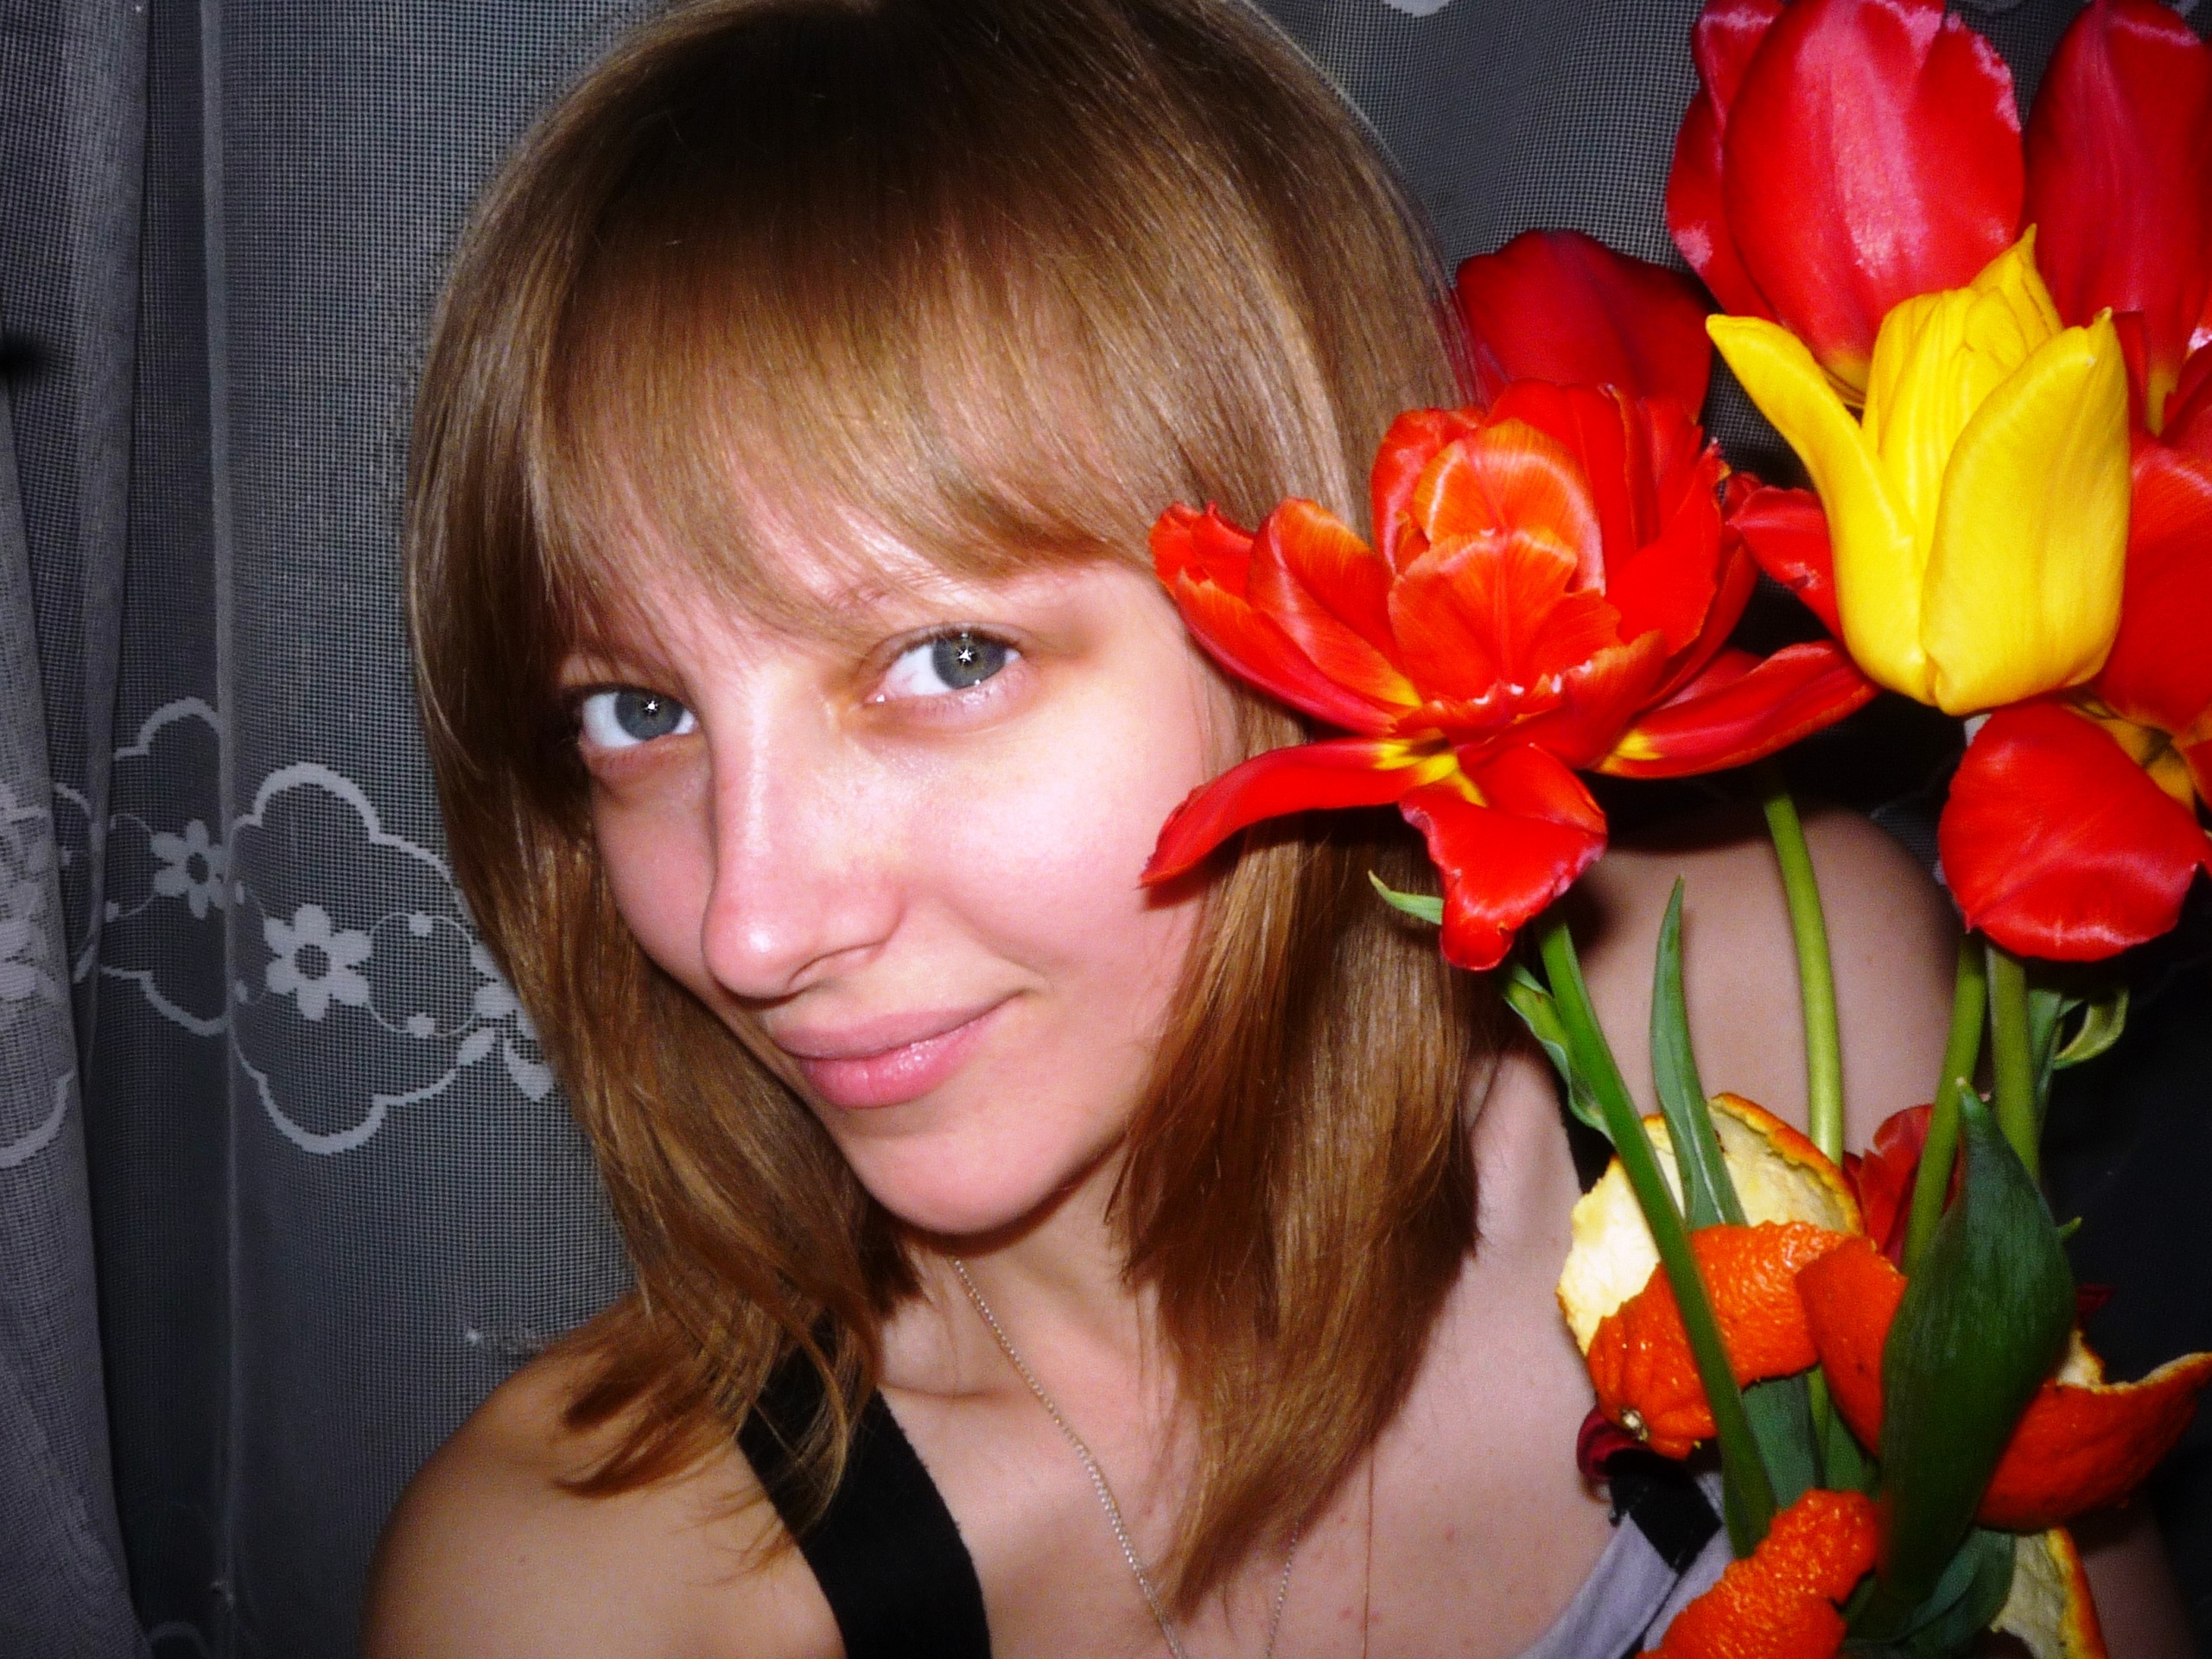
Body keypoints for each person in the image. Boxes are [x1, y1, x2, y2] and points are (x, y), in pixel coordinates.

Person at [363, 0, 2189, 1653]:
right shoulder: (576, 1593)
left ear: (1310, 586)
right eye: (638, 713)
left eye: (948, 657)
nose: (750, 927)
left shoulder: (1766, 1021)